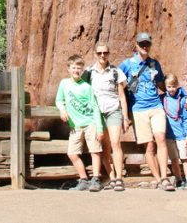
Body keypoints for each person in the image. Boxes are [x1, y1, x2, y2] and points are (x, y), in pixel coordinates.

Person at [118, 32, 174, 191]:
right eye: (141, 44)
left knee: (161, 139)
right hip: (138, 109)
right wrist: (123, 112)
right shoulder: (127, 65)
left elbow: (163, 85)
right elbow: (116, 82)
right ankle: (158, 178)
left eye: (147, 44)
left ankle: (164, 177)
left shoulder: (155, 64)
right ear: (135, 45)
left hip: (156, 107)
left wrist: (180, 96)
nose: (144, 47)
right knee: (149, 146)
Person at [84, 42, 131, 191]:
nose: (102, 56)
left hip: (113, 110)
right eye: (99, 53)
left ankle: (119, 178)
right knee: (104, 147)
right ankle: (111, 177)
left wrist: (125, 117)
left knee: (115, 143)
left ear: (109, 53)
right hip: (97, 113)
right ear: (95, 54)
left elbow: (122, 96)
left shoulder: (116, 72)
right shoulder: (89, 72)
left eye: (105, 53)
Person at [55, 54, 105, 191]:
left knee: (95, 151)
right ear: (68, 69)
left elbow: (95, 107)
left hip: (90, 123)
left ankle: (96, 179)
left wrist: (100, 128)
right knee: (72, 153)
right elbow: (59, 100)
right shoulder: (64, 84)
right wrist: (62, 110)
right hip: (75, 126)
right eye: (73, 68)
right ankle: (83, 179)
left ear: (82, 70)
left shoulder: (86, 87)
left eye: (79, 68)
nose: (76, 70)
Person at [162, 74, 187, 189]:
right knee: (174, 159)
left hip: (181, 134)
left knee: (184, 158)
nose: (171, 89)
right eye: (169, 87)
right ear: (165, 87)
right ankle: (179, 180)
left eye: (174, 86)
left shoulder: (182, 100)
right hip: (169, 135)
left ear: (177, 86)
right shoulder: (163, 99)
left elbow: (185, 118)